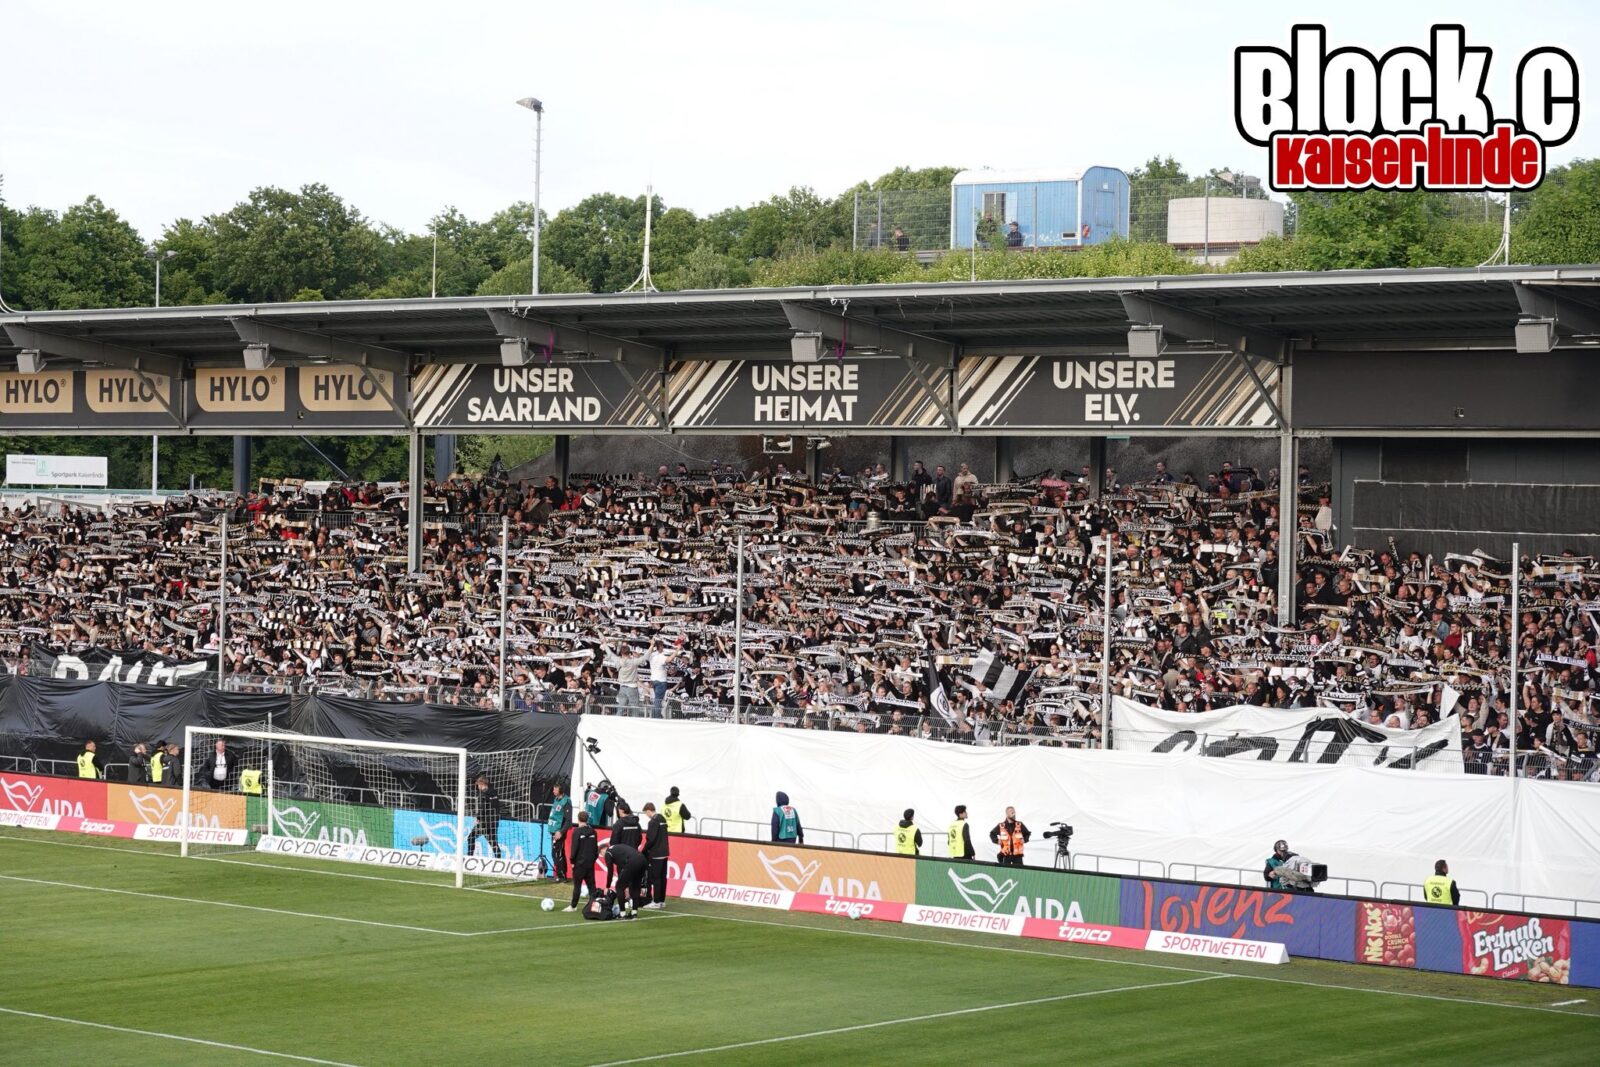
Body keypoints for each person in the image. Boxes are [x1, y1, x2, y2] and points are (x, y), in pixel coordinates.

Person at [604, 841, 649, 919]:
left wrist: (607, 886)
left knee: (619, 887)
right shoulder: (618, 848)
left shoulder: (607, 853)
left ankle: (622, 914)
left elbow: (610, 871)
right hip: (643, 860)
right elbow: (625, 868)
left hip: (633, 861)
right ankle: (634, 913)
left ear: (602, 850)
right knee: (635, 887)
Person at [566, 810, 599, 912]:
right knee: (592, 886)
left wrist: (572, 861)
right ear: (587, 819)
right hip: (590, 863)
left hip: (579, 864)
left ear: (578, 819)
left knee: (577, 886)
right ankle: (595, 905)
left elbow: (574, 848)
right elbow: (595, 848)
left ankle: (573, 906)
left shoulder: (577, 832)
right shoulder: (593, 831)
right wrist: (593, 859)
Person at [467, 774, 504, 859]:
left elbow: (483, 808)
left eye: (478, 785)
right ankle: (499, 859)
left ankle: (469, 858)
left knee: (471, 837)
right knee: (493, 842)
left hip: (485, 821)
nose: (478, 787)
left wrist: (478, 818)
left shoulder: (483, 794)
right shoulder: (494, 792)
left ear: (481, 784)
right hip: (494, 821)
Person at [641, 802, 670, 908]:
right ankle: (661, 900)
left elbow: (651, 839)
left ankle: (656, 901)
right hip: (664, 853)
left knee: (656, 878)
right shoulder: (662, 819)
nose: (646, 815)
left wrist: (644, 850)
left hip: (656, 853)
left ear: (649, 811)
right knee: (662, 877)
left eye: (646, 813)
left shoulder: (653, 822)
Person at [547, 783, 572, 881]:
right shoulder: (556, 799)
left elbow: (568, 820)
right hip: (554, 830)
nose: (553, 791)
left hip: (559, 831)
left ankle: (561, 876)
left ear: (560, 791)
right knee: (556, 853)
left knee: (557, 853)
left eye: (555, 790)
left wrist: (561, 832)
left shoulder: (566, 802)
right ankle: (561, 874)